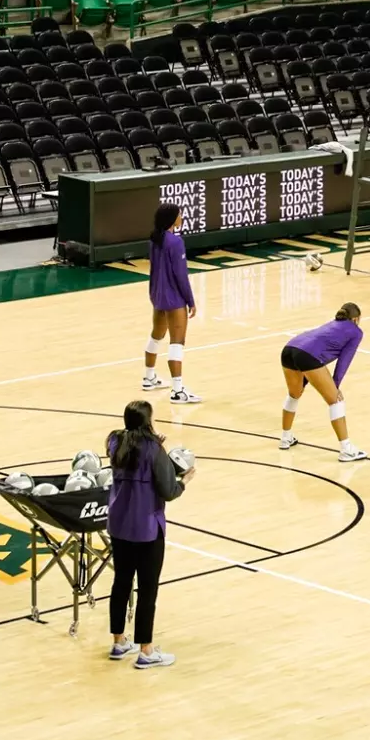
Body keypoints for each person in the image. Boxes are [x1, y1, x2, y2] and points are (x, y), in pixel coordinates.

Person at [106, 399, 191, 669]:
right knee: (147, 589)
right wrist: (184, 482)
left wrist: (154, 443)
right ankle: (146, 650)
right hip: (146, 529)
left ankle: (119, 642)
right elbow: (168, 490)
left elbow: (128, 447)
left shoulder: (115, 442)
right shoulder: (154, 450)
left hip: (118, 525)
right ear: (148, 422)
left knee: (121, 583)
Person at [277, 303, 367, 460]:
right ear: (355, 319)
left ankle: (285, 438)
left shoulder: (333, 324)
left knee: (294, 394)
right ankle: (347, 449)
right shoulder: (355, 332)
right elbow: (344, 362)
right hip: (307, 355)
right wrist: (335, 386)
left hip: (289, 349)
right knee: (336, 401)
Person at [142, 203, 201, 403]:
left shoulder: (154, 239)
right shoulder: (175, 242)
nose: (181, 217)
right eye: (179, 214)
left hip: (157, 294)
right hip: (173, 296)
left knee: (156, 335)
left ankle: (149, 377)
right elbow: (181, 275)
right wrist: (190, 300)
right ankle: (177, 391)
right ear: (172, 219)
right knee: (177, 342)